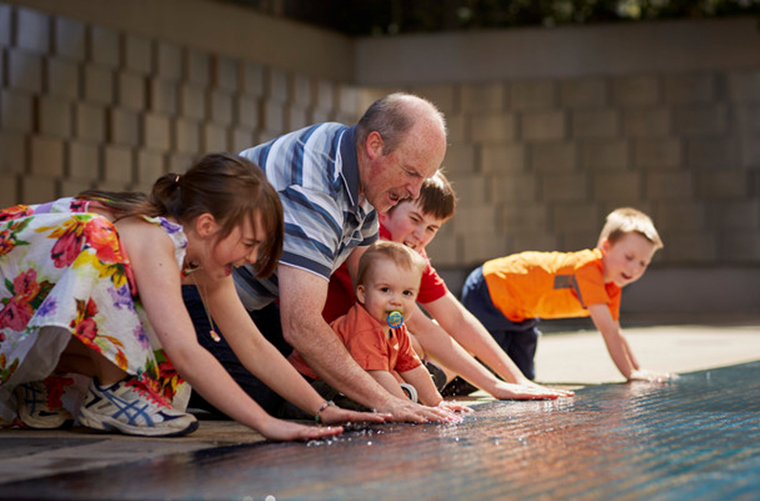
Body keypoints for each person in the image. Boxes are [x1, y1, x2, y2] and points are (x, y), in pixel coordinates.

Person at [0, 153, 386, 440]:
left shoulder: (202, 261)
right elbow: (187, 350)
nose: (252, 259)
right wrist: (266, 424)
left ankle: (42, 381)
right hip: (11, 305)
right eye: (249, 244)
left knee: (166, 377)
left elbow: (252, 345)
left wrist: (323, 410)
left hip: (25, 329)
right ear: (205, 225)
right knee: (99, 241)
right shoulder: (154, 237)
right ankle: (110, 392)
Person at [185, 92, 454, 423]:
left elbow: (375, 287)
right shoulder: (316, 190)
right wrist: (385, 400)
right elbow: (301, 325)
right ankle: (174, 378)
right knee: (279, 393)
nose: (414, 192)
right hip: (198, 292)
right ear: (374, 145)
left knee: (303, 377)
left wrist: (400, 357)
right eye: (411, 173)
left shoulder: (362, 172)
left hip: (240, 299)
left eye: (422, 179)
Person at [324, 172, 572, 400]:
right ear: (386, 211)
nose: (420, 235)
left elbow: (456, 319)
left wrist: (518, 380)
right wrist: (495, 386)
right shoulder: (373, 247)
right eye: (414, 219)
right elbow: (417, 327)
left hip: (370, 345)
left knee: (458, 341)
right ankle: (408, 389)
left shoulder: (411, 253)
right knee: (411, 338)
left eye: (431, 228)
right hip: (336, 344)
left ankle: (419, 386)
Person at [461, 207, 672, 383]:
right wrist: (630, 374)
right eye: (629, 257)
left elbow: (616, 332)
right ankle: (434, 376)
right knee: (479, 365)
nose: (635, 268)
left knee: (521, 378)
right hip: (491, 288)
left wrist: (638, 369)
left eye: (643, 263)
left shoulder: (612, 286)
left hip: (520, 311)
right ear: (605, 247)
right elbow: (607, 331)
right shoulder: (587, 270)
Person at [292, 241, 469, 415]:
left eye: (407, 293)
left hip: (344, 382)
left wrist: (436, 402)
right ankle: (402, 398)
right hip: (308, 387)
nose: (396, 300)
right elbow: (377, 375)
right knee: (363, 400)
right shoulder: (362, 328)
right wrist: (407, 406)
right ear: (362, 293)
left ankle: (403, 397)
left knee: (392, 388)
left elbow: (412, 366)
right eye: (385, 290)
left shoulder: (396, 327)